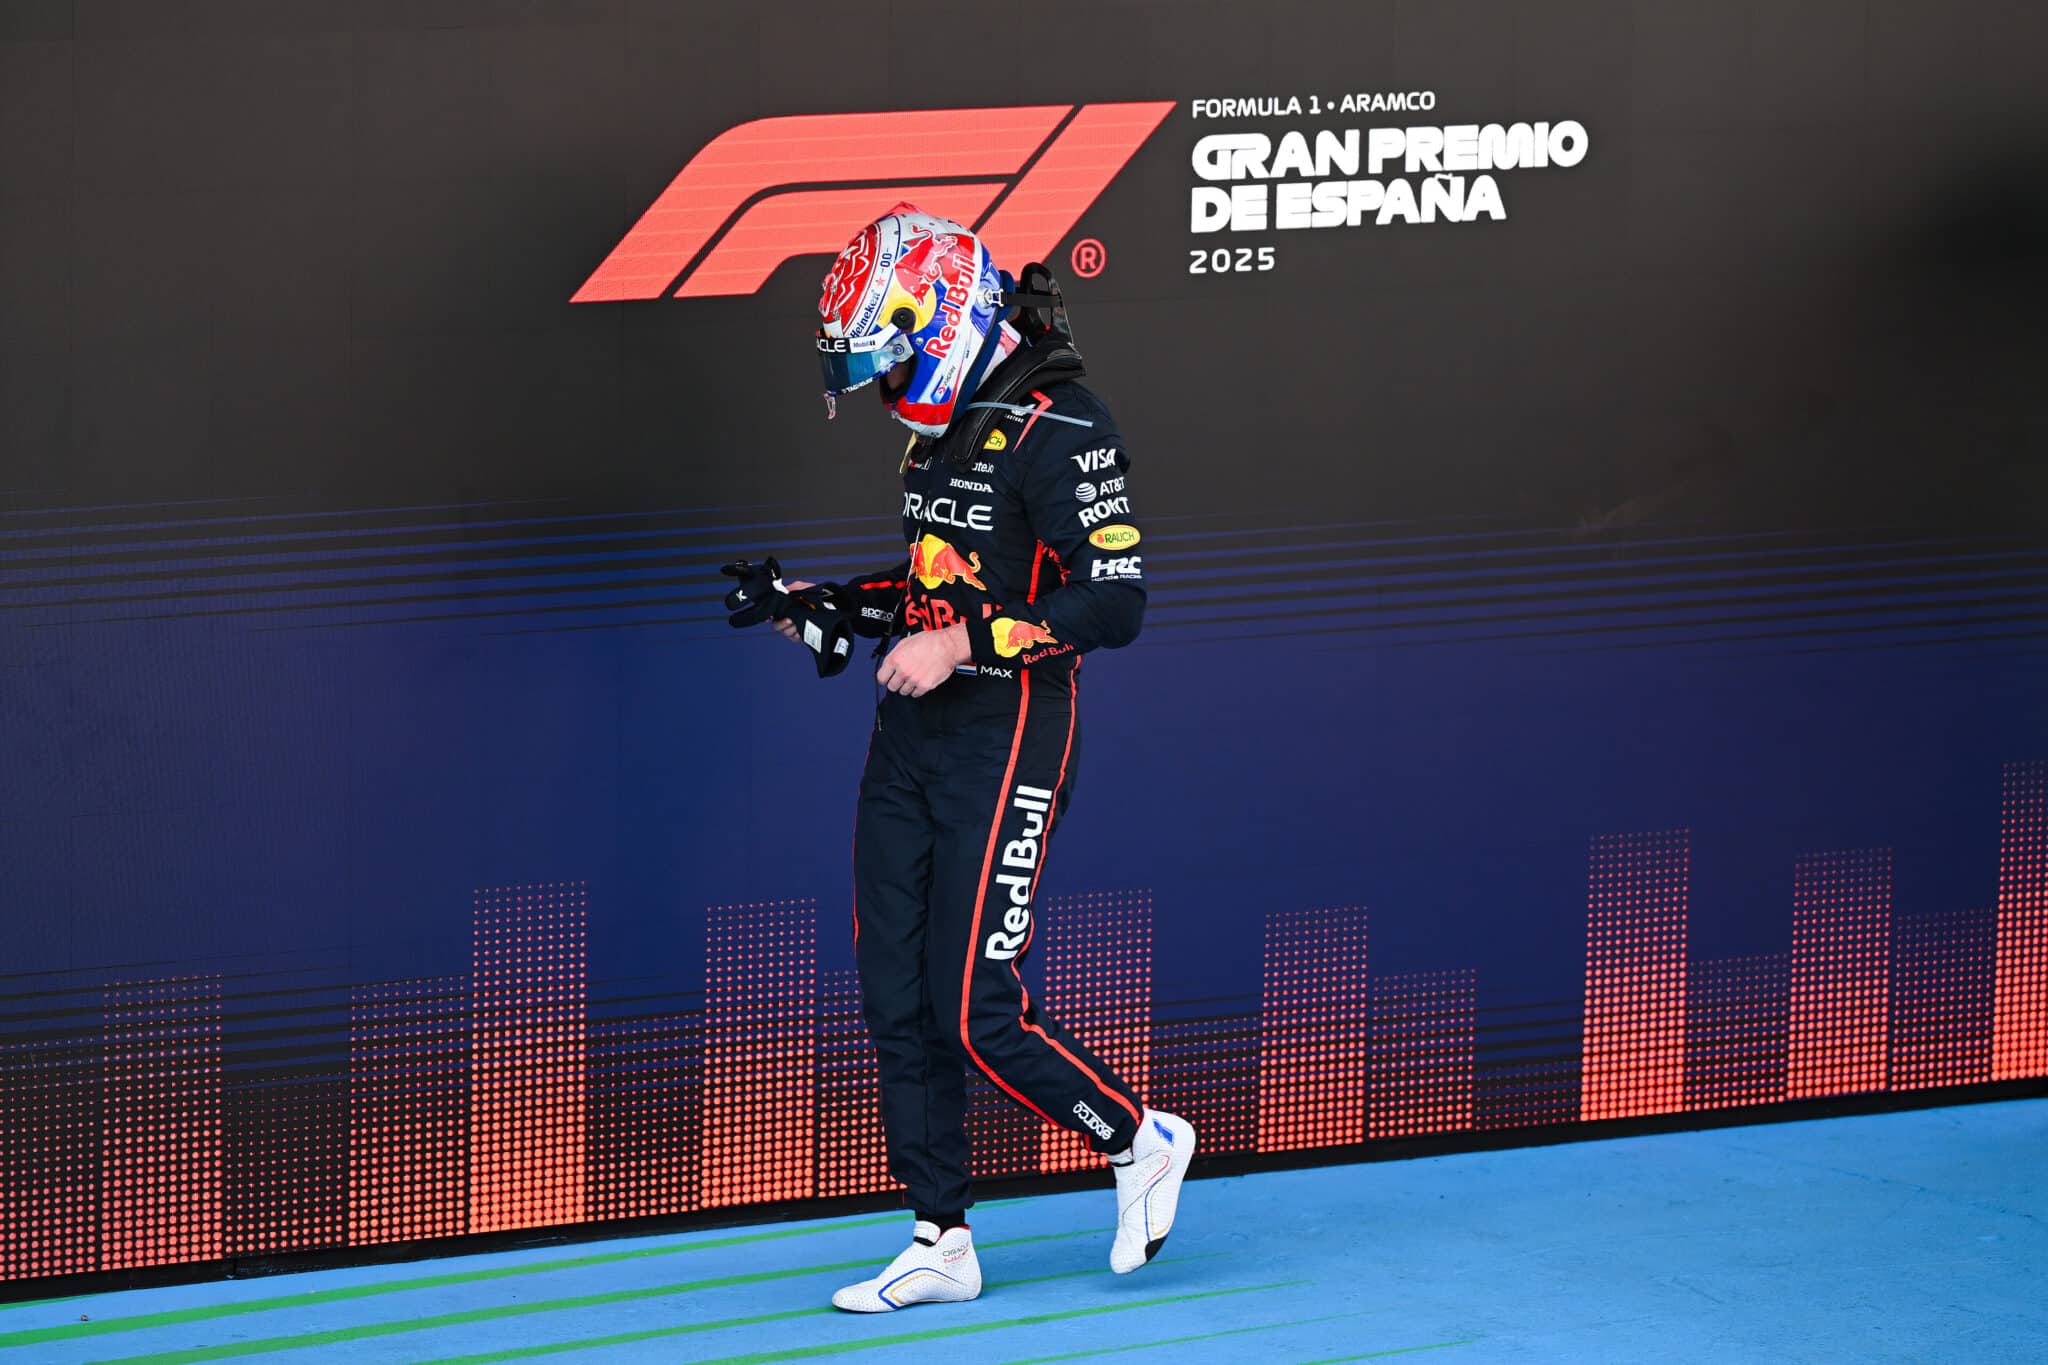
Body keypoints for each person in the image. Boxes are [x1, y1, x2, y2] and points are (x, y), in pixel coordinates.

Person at [736, 204, 1196, 1313]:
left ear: (939, 317)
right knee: (894, 995)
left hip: (1010, 733)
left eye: (891, 357)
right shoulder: (940, 428)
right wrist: (825, 606)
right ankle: (939, 1237)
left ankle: (1139, 1138)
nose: (886, 383)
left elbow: (1115, 604)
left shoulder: (1063, 423)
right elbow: (933, 584)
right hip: (911, 738)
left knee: (973, 1007)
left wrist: (959, 644)